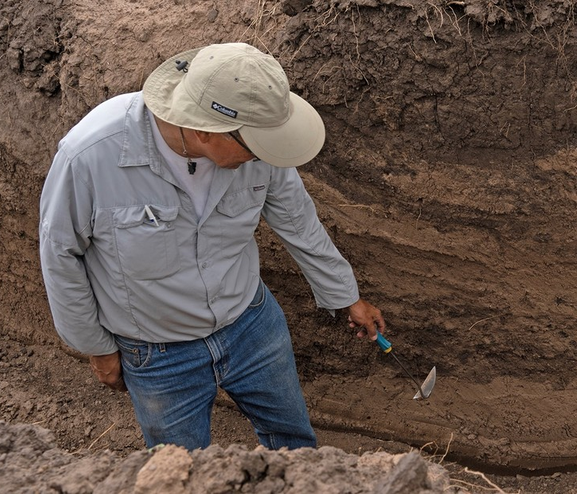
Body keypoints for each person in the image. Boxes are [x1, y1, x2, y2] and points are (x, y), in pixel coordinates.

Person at [38, 42, 385, 451]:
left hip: (251, 326)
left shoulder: (258, 153)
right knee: (184, 473)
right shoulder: (91, 156)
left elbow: (298, 220)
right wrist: (97, 348)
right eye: (256, 144)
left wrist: (347, 297)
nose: (266, 155)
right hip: (159, 352)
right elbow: (61, 255)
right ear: (205, 129)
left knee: (297, 450)